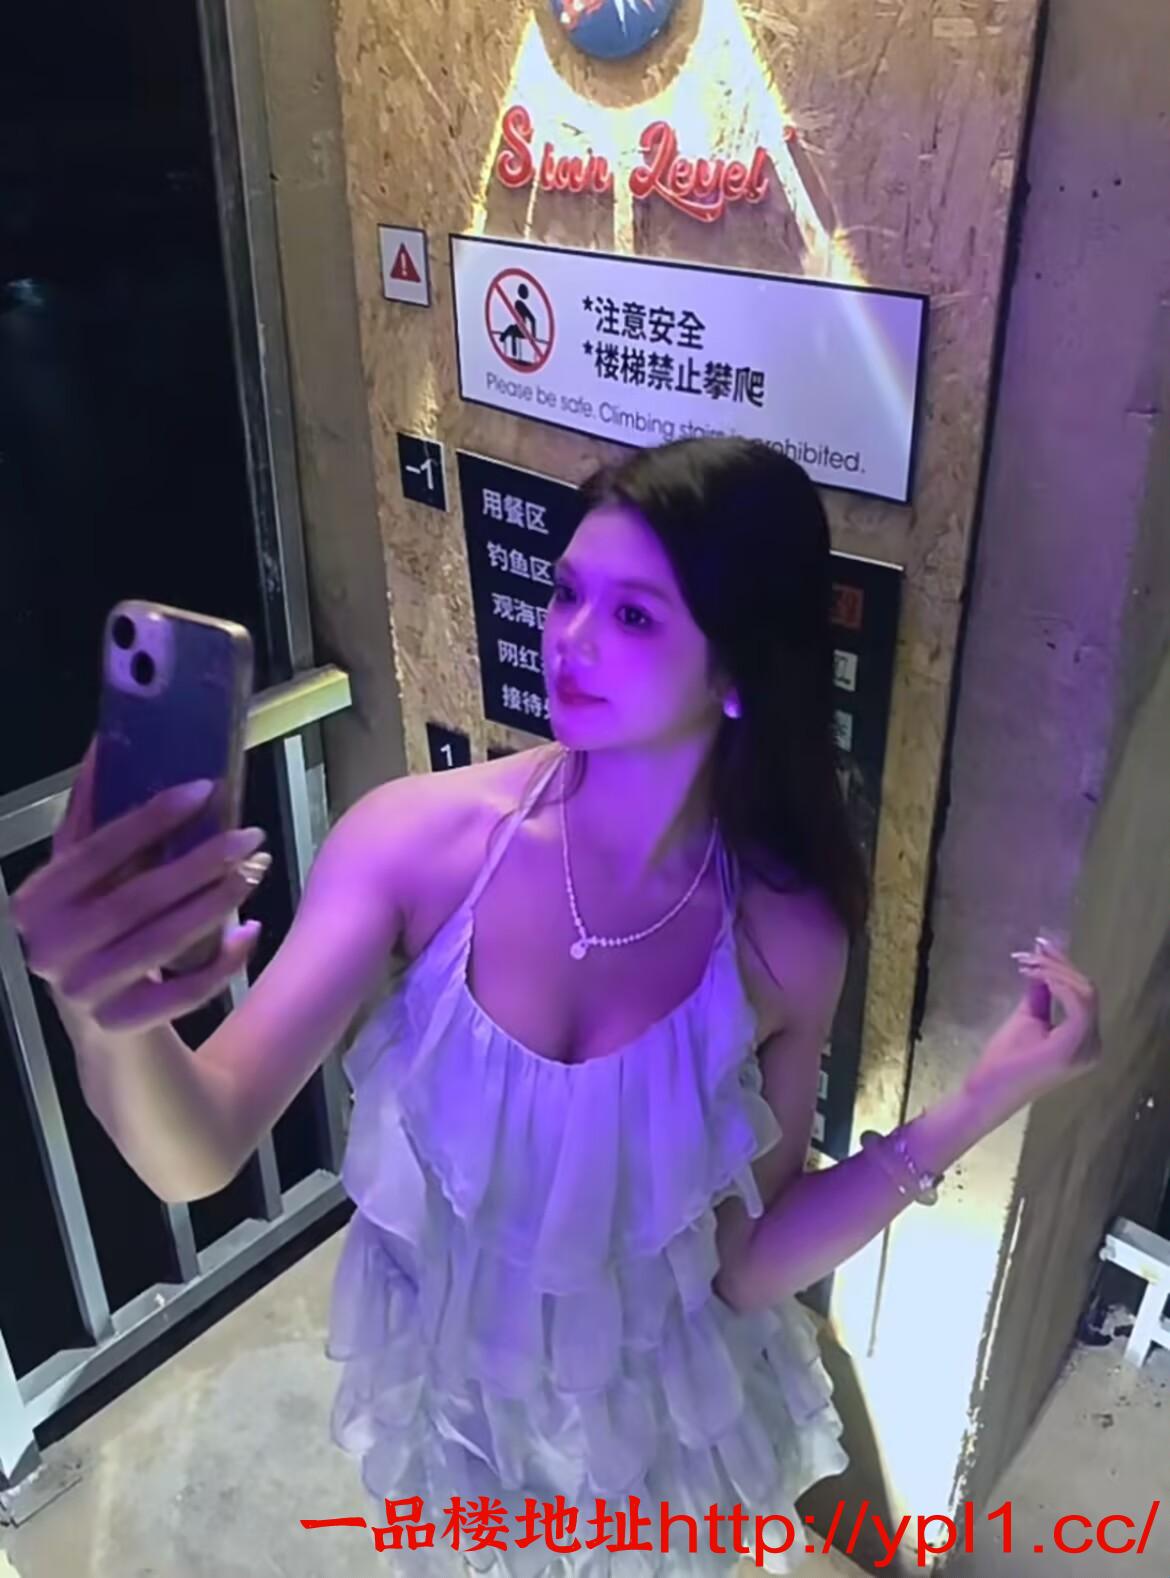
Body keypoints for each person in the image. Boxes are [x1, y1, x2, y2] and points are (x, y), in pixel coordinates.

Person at [11, 438, 1099, 1576]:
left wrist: (981, 1101)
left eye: (633, 616)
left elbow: (743, 1265)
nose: (569, 637)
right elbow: (199, 1148)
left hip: (647, 1432)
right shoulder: (417, 841)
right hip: (464, 1419)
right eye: (568, 591)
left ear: (736, 672)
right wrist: (107, 1010)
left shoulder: (786, 932)